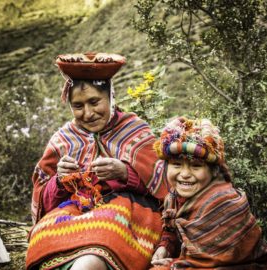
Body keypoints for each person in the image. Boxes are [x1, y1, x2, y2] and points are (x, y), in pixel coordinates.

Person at [25, 52, 168, 270]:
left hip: (129, 213)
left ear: (111, 97)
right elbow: (42, 201)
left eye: (94, 102)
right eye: (78, 106)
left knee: (100, 246)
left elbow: (166, 187)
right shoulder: (63, 140)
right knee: (45, 237)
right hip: (73, 212)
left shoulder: (134, 130)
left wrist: (125, 173)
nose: (88, 113)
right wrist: (60, 181)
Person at [150, 116, 267, 270]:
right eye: (176, 165)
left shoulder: (224, 203)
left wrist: (172, 264)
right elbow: (171, 230)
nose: (185, 174)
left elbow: (214, 262)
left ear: (213, 171)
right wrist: (165, 247)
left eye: (196, 166)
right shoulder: (174, 198)